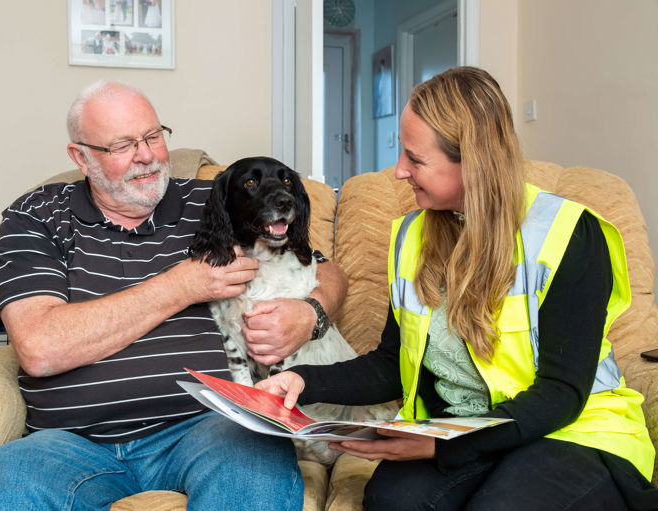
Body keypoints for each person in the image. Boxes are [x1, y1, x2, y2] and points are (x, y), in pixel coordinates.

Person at [257, 66, 658, 510]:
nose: (399, 172)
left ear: (474, 160)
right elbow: (394, 364)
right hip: (460, 428)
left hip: (571, 431)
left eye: (416, 159)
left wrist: (442, 447)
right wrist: (301, 381)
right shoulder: (412, 236)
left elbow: (561, 393)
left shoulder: (569, 234)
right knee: (391, 500)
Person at [0, 80, 348, 510]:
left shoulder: (217, 200)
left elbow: (324, 268)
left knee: (256, 461)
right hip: (70, 443)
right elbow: (39, 347)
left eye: (152, 136)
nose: (146, 155)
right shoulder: (37, 216)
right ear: (81, 158)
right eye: (123, 145)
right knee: (1, 481)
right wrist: (182, 285)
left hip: (209, 426)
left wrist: (311, 312)